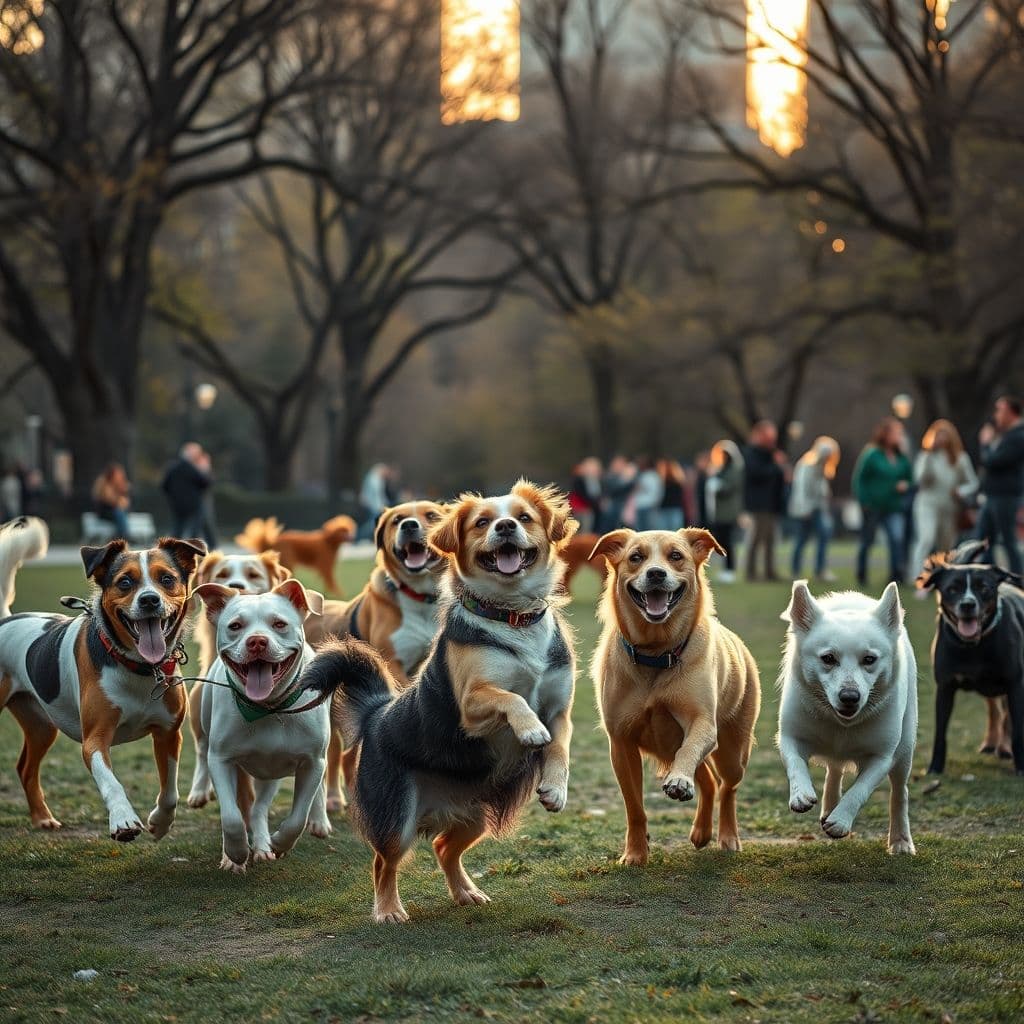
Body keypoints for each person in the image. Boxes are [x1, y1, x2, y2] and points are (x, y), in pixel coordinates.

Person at [909, 419, 977, 580]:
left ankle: (941, 578)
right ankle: (919, 578)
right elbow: (919, 480)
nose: (941, 439)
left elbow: (973, 482)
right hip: (927, 505)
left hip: (949, 508)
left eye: (944, 435)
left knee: (945, 546)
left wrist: (961, 491)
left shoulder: (960, 458)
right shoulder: (926, 456)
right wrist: (929, 458)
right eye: (938, 435)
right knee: (926, 539)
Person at [853, 417, 913, 585]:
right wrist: (864, 501)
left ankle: (896, 576)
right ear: (886, 434)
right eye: (896, 433)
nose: (899, 436)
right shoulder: (872, 454)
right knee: (867, 541)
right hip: (873, 506)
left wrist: (905, 485)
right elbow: (859, 479)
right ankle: (862, 575)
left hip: (894, 506)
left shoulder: (901, 457)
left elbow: (910, 478)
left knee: (896, 539)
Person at [976, 395, 1024, 574]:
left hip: (1005, 497)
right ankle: (988, 575)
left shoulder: (1018, 436)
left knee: (1008, 540)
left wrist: (985, 444)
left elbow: (994, 462)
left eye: (1000, 410)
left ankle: (1018, 580)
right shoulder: (1008, 435)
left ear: (1011, 412)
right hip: (993, 495)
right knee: (983, 540)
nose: (996, 415)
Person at [789, 436, 840, 581]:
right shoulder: (807, 464)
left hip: (818, 509)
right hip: (805, 510)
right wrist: (804, 509)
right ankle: (795, 570)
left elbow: (822, 491)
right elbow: (800, 488)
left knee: (823, 535)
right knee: (801, 539)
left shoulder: (824, 468)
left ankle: (820, 570)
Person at [742, 420, 788, 581]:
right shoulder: (751, 453)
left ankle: (770, 572)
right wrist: (776, 466)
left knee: (770, 541)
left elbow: (778, 476)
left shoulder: (771, 453)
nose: (771, 440)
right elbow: (756, 473)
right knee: (756, 539)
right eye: (768, 436)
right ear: (759, 435)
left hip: (772, 503)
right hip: (759, 504)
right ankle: (751, 573)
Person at [706, 440, 744, 583]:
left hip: (728, 511)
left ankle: (730, 570)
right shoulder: (722, 469)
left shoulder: (734, 469)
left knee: (728, 541)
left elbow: (731, 487)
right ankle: (725, 569)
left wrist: (719, 486)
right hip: (720, 512)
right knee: (722, 540)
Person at [162, 442, 212, 538]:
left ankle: (172, 549)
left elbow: (164, 485)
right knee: (195, 529)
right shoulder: (192, 468)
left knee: (177, 529)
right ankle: (195, 548)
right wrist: (205, 469)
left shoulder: (172, 467)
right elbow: (205, 483)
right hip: (194, 504)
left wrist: (172, 497)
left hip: (176, 504)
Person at [597, 455, 637, 533]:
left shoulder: (625, 477)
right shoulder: (609, 476)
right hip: (612, 506)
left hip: (623, 507)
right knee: (607, 527)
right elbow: (613, 490)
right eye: (618, 464)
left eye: (621, 464)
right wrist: (626, 480)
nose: (619, 466)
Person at [91, 462, 131, 539]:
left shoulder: (120, 484)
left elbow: (125, 503)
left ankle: (121, 537)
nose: (120, 476)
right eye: (118, 474)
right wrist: (119, 497)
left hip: (115, 511)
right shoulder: (104, 482)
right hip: (104, 511)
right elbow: (109, 499)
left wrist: (123, 491)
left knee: (120, 513)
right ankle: (124, 537)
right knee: (119, 513)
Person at [568, 457, 603, 533]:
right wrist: (595, 504)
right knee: (582, 532)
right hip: (580, 509)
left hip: (590, 509)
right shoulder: (579, 479)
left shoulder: (596, 480)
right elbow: (583, 495)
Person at [631, 456, 664, 532]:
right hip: (641, 506)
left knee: (648, 529)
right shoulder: (642, 475)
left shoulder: (652, 476)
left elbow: (656, 492)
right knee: (641, 529)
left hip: (649, 506)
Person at [656, 458, 687, 530]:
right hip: (666, 509)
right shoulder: (661, 481)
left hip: (673, 508)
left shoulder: (678, 481)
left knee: (673, 531)